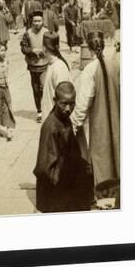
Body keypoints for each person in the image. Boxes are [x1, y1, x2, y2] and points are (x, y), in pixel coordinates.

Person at [71, 31, 120, 207]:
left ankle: (104, 200)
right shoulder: (115, 65)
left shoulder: (89, 71)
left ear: (89, 48)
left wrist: (73, 125)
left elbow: (82, 105)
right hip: (117, 121)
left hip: (99, 126)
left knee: (101, 160)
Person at [33, 81, 94, 213]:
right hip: (56, 191)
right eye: (64, 104)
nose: (68, 108)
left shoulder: (64, 118)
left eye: (72, 103)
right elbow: (45, 169)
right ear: (55, 101)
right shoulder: (51, 127)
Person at [20, 10, 49, 123]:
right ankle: (39, 111)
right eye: (35, 21)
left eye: (39, 21)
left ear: (42, 21)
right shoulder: (28, 33)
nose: (37, 23)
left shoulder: (46, 32)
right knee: (36, 89)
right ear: (32, 22)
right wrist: (32, 51)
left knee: (44, 87)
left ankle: (47, 109)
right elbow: (23, 48)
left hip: (44, 64)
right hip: (32, 65)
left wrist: (43, 51)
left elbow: (52, 46)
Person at [40, 32, 70, 120]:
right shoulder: (52, 65)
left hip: (56, 121)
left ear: (44, 48)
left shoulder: (59, 68)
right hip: (51, 119)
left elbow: (64, 100)